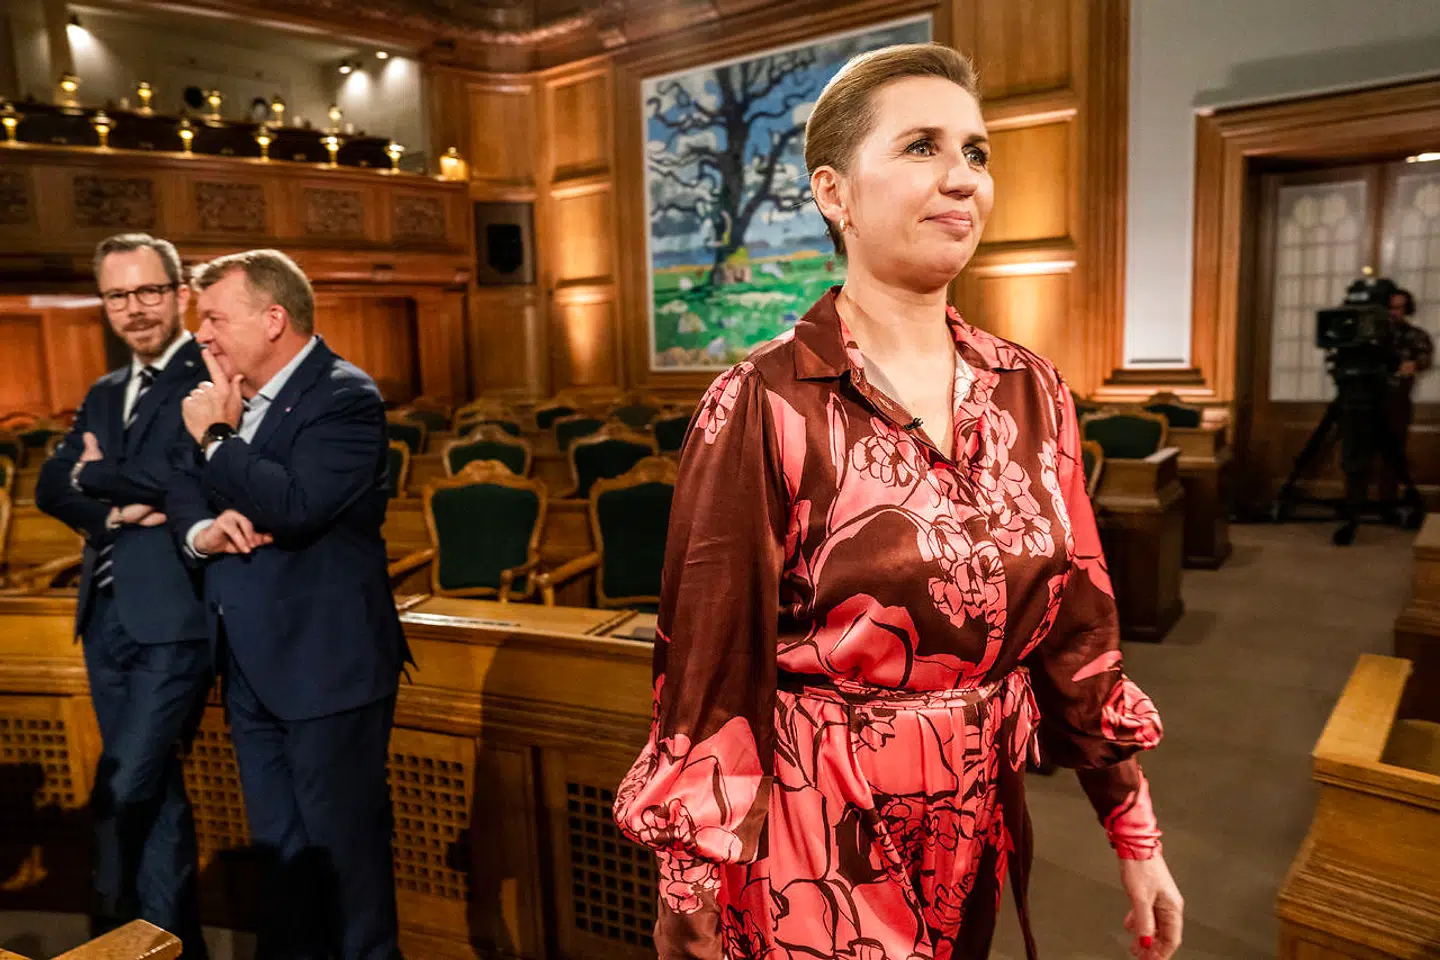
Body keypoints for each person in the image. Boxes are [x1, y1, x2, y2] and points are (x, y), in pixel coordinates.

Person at [612, 43, 1183, 960]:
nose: (963, 178)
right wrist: (690, 879)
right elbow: (711, 663)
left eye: (976, 152)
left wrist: (1136, 834)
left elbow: (1080, 632)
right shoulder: (765, 400)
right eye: (922, 146)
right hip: (816, 833)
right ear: (833, 193)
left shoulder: (1030, 391)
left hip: (979, 822)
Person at [164, 249, 407, 960]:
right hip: (247, 663)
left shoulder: (344, 396)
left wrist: (217, 439)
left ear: (273, 319)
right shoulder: (219, 393)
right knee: (283, 856)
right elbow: (179, 482)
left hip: (326, 667)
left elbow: (297, 505)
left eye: (215, 318)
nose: (202, 334)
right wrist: (203, 530)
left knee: (344, 859)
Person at [35, 233, 211, 959]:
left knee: (122, 785)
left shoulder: (208, 374)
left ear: (179, 294)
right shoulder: (106, 391)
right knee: (154, 793)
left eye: (147, 291)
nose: (133, 309)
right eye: (117, 296)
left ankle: (110, 939)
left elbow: (178, 478)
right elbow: (51, 486)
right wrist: (113, 511)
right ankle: (170, 948)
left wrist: (98, 476)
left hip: (172, 619)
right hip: (103, 616)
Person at [1379, 287, 1432, 508]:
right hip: (1368, 399)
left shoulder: (1416, 335)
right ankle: (1355, 502)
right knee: (1359, 452)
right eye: (1391, 308)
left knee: (1394, 453)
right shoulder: (1375, 336)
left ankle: (1387, 503)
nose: (1394, 313)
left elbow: (1424, 358)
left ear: (1407, 309)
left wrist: (1413, 364)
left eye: (1399, 308)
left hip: (1396, 402)